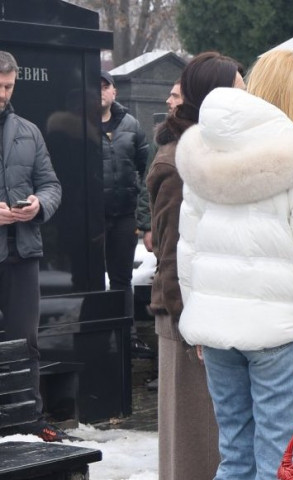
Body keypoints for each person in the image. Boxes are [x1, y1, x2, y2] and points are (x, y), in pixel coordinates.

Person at [176, 50, 293, 479]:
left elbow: (188, 250)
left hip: (219, 327)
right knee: (281, 458)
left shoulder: (205, 153)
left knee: (236, 453)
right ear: (292, 96)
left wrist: (197, 315)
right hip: (280, 329)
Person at [146, 51, 243, 480]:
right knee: (194, 445)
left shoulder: (208, 149)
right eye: (239, 86)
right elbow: (170, 253)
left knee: (213, 441)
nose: (247, 95)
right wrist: (191, 325)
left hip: (211, 312)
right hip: (187, 315)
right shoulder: (179, 160)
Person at [0, 50, 64, 441]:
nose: (2, 94)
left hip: (23, 253)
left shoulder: (29, 131)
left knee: (27, 343)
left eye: (7, 86)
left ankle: (28, 422)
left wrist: (40, 204)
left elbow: (52, 185)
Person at [100, 70, 153, 355]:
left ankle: (127, 335)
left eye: (105, 86)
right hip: (91, 217)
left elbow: (146, 169)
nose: (100, 92)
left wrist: (143, 216)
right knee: (91, 277)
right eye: (94, 87)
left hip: (123, 214)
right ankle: (98, 333)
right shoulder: (77, 122)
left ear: (114, 92)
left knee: (122, 277)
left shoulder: (131, 125)